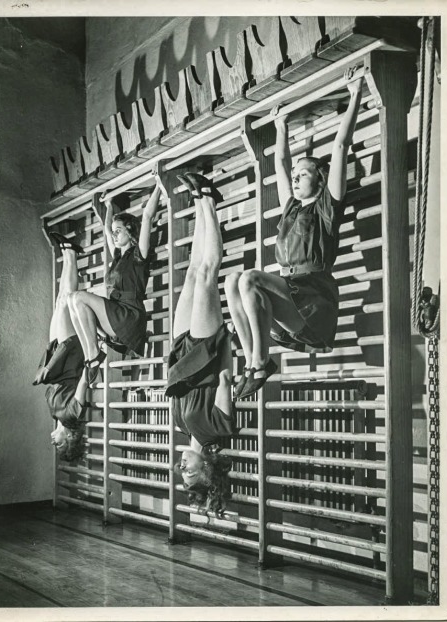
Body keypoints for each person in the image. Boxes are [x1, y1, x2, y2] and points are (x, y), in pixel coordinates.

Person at [225, 66, 364, 398]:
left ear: (319, 179)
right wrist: (281, 126)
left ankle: (260, 361)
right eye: (298, 174)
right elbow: (280, 164)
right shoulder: (290, 207)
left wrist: (356, 93)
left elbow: (341, 147)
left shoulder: (327, 207)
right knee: (233, 281)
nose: (298, 177)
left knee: (250, 279)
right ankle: (253, 362)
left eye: (305, 173)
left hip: (313, 303)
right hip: (291, 295)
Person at [165, 172, 234, 516]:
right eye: (190, 472)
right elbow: (225, 377)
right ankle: (209, 201)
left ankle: (198, 201)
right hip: (205, 352)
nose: (182, 466)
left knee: (193, 273)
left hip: (180, 358)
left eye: (182, 472)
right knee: (209, 273)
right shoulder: (222, 429)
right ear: (208, 467)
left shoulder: (183, 426)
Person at [67, 183, 161, 382]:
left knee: (79, 297)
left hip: (130, 316)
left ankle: (93, 355)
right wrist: (108, 206)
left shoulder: (139, 255)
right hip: (116, 315)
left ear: (130, 232)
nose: (115, 234)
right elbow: (107, 230)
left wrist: (159, 185)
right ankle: (90, 356)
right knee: (71, 299)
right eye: (115, 231)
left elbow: (147, 217)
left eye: (119, 231)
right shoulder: (117, 257)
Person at [33, 234, 91, 462]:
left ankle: (69, 251)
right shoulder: (73, 415)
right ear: (68, 439)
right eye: (58, 445)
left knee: (60, 301)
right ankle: (71, 254)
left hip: (55, 363)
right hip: (70, 361)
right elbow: (84, 382)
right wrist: (90, 355)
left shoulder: (55, 414)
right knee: (66, 301)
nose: (52, 443)